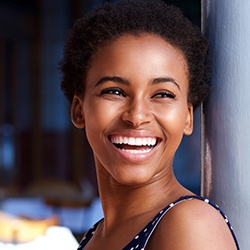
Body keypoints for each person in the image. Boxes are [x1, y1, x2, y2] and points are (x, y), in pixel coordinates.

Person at [59, 0, 239, 249]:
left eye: (163, 94)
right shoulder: (95, 236)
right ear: (79, 111)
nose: (137, 116)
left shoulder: (190, 224)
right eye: (114, 91)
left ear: (187, 117)